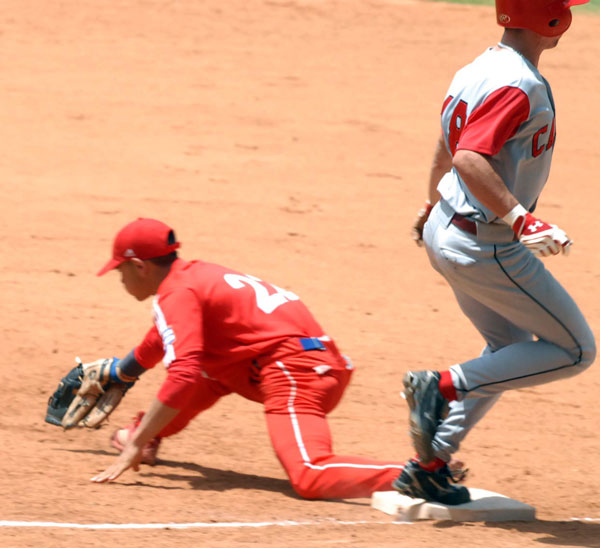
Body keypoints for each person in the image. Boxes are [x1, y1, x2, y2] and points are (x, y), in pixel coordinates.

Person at [394, 0, 596, 505]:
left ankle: (430, 463)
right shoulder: (519, 83)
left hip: (448, 228)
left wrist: (429, 200)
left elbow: (450, 143)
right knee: (574, 350)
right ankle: (439, 385)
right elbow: (469, 155)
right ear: (555, 21)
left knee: (509, 351)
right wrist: (521, 218)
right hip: (487, 245)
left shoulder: (478, 66)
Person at [89, 217, 406, 499]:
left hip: (294, 372)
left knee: (310, 474)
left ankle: (418, 474)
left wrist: (135, 442)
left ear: (140, 266)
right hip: (309, 363)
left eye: (121, 270)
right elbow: (164, 336)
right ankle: (148, 433)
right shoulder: (196, 276)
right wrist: (122, 373)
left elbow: (182, 374)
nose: (121, 279)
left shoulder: (177, 292)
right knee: (210, 366)